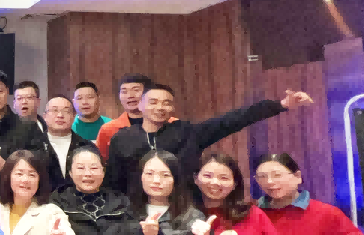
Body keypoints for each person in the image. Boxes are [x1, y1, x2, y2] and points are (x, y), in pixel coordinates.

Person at [104, 84, 313, 195]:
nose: (160, 107)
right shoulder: (122, 139)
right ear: (140, 106)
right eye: (153, 102)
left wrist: (280, 105)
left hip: (184, 212)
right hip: (136, 212)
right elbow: (114, 182)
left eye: (166, 103)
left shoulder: (187, 132)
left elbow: (233, 120)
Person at [95, 74, 153, 157]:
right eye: (124, 92)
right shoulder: (108, 129)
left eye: (136, 90)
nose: (130, 96)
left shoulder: (168, 124)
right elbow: (101, 161)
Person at [38, 95, 89, 191]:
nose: (60, 115)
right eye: (54, 110)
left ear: (74, 116)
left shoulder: (86, 147)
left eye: (66, 111)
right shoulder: (32, 146)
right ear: (45, 116)